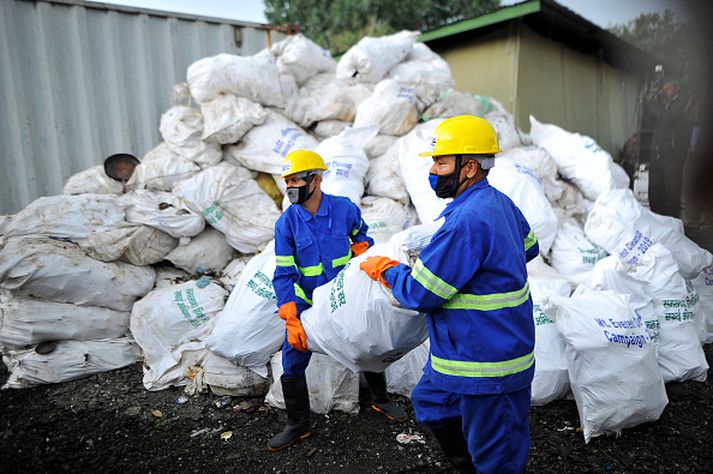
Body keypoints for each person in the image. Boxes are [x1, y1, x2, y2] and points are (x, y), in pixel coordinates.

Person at [360, 115, 539, 474]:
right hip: (462, 352)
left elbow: (419, 293)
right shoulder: (496, 203)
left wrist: (388, 270)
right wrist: (466, 264)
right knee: (430, 402)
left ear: (469, 167)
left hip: (488, 363)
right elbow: (529, 247)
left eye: (441, 162)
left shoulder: (466, 222)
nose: (433, 169)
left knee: (499, 456)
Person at [269, 149, 407, 452]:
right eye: (287, 181)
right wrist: (291, 318)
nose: (290, 186)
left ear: (315, 180)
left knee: (368, 340)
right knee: (292, 356)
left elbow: (362, 239)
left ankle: (380, 400)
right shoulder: (286, 224)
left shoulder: (344, 209)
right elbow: (282, 273)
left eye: (295, 180)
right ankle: (298, 424)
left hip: (344, 294)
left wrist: (364, 260)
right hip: (308, 301)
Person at [647, 79, 692, 217]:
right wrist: (651, 106)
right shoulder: (663, 103)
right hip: (656, 153)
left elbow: (668, 118)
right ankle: (658, 220)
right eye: (664, 89)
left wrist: (652, 105)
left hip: (673, 154)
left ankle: (672, 222)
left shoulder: (683, 101)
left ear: (677, 88)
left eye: (668, 89)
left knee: (671, 192)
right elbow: (651, 121)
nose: (665, 92)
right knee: (655, 190)